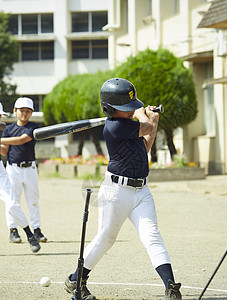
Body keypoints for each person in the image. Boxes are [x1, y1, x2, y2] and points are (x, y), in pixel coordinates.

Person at [65, 78, 182, 300]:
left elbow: (145, 145)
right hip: (116, 191)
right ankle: (75, 279)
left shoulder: (127, 125)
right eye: (124, 108)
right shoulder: (115, 126)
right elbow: (145, 125)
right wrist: (143, 114)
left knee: (152, 236)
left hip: (141, 191)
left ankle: (171, 286)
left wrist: (151, 120)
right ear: (109, 108)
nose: (130, 111)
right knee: (106, 238)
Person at [1, 97, 47, 244]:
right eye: (21, 111)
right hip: (13, 168)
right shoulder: (8, 129)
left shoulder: (33, 128)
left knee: (33, 199)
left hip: (30, 168)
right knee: (12, 199)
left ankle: (37, 229)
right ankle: (13, 230)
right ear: (15, 111)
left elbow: (21, 140)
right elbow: (4, 151)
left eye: (28, 111)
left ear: (32, 113)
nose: (24, 114)